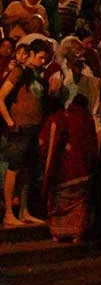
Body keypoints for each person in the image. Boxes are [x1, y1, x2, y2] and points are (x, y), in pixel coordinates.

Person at [1, 36, 50, 227]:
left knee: (28, 169)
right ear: (30, 54)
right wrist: (10, 121)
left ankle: (24, 210)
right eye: (40, 57)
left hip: (33, 127)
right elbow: (1, 96)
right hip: (19, 127)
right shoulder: (19, 72)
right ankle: (8, 213)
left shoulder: (37, 74)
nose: (42, 61)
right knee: (14, 168)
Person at [40, 93, 97, 242]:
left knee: (59, 202)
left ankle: (57, 233)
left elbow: (45, 143)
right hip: (82, 172)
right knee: (79, 203)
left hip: (62, 172)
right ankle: (76, 234)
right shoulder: (87, 119)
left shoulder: (58, 119)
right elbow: (92, 147)